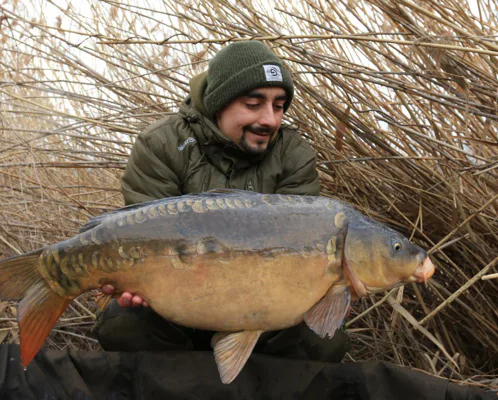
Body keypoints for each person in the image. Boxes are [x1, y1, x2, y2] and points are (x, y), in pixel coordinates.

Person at [93, 41, 350, 362]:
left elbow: (301, 247)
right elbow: (144, 237)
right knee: (123, 323)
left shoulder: (293, 154)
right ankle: (187, 382)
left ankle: (251, 378)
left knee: (325, 338)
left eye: (279, 106)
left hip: (265, 305)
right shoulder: (161, 143)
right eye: (253, 104)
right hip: (175, 300)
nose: (270, 120)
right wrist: (135, 281)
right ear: (219, 104)